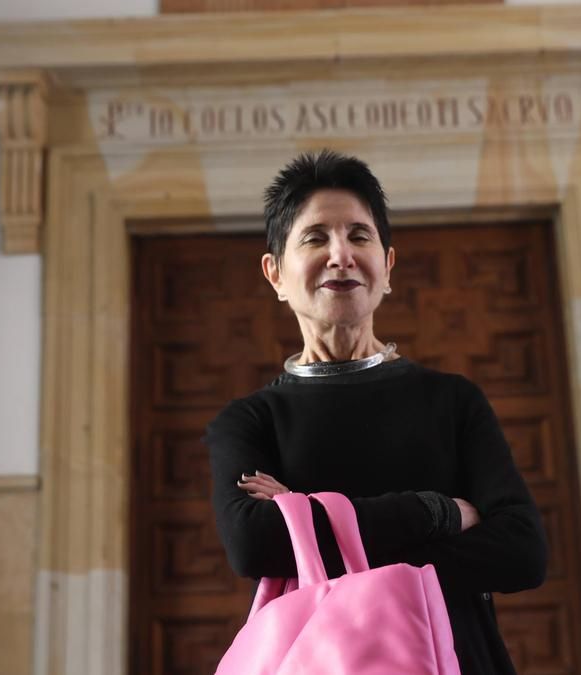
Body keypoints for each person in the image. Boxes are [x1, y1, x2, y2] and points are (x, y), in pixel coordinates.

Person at [203, 149, 547, 675]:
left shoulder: (452, 400)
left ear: (386, 267)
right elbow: (252, 542)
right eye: (315, 237)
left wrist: (307, 517)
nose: (341, 254)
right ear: (275, 274)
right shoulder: (250, 421)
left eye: (359, 236)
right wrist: (440, 514)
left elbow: (522, 549)